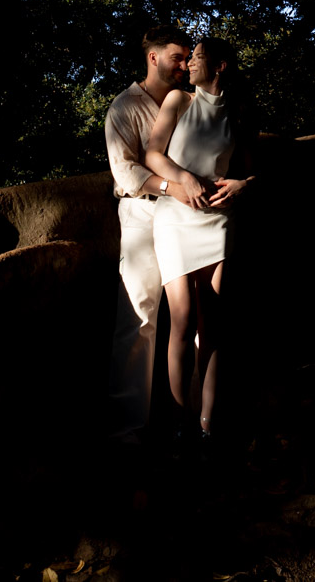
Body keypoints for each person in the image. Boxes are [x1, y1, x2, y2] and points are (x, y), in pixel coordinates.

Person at [144, 38, 254, 444]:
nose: (188, 62)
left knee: (212, 327)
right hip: (175, 218)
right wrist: (183, 177)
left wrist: (243, 185)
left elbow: (251, 171)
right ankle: (179, 422)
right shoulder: (179, 101)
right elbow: (153, 155)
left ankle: (207, 425)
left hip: (218, 222)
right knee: (183, 317)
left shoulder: (237, 113)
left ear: (221, 65)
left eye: (197, 56)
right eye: (187, 56)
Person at [104, 24, 193, 444]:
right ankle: (128, 427)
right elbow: (124, 169)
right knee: (139, 315)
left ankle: (189, 418)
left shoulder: (192, 104)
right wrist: (170, 187)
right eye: (178, 57)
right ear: (153, 57)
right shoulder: (124, 107)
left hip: (189, 217)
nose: (185, 65)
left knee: (192, 313)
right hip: (142, 212)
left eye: (188, 57)